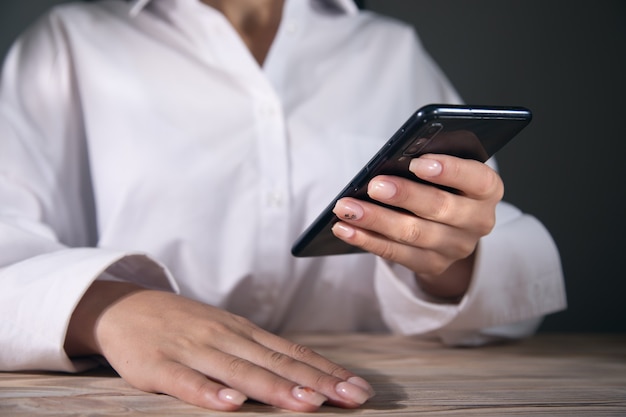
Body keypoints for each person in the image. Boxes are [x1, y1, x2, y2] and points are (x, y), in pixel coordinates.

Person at [0, 0, 566, 412]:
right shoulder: (70, 43)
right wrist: (105, 309)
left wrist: (451, 263)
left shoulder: (388, 48)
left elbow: (502, 277)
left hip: (381, 394)